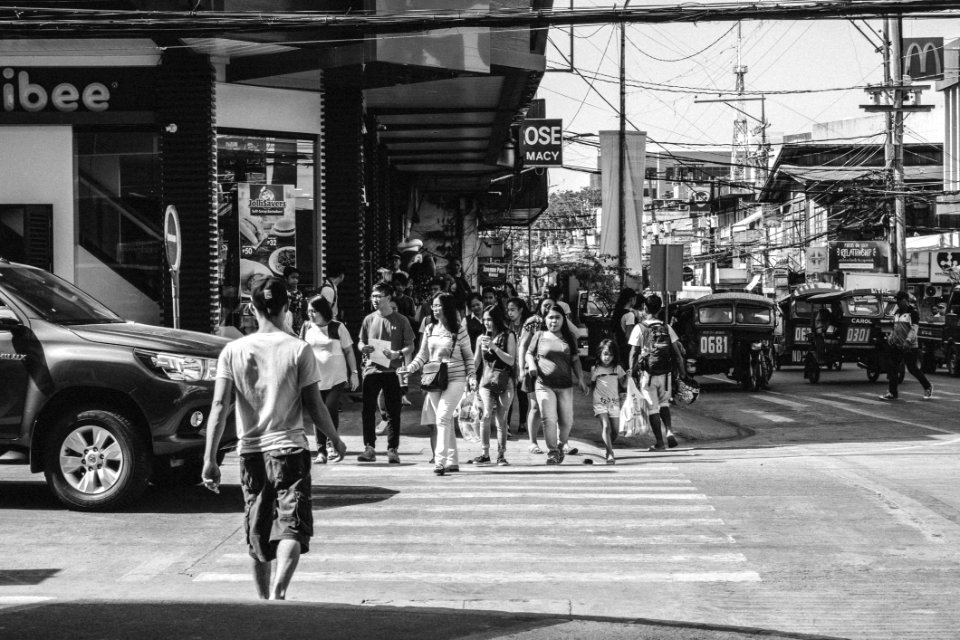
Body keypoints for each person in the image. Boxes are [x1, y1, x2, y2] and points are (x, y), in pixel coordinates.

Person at [201, 277, 347, 601]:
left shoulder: (233, 351)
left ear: (252, 308)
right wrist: (335, 438)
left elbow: (219, 406)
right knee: (292, 526)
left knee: (258, 531)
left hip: (250, 453)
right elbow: (315, 405)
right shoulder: (298, 349)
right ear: (286, 308)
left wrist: (209, 459)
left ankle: (264, 601)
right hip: (290, 451)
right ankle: (280, 589)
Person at [402, 292, 474, 476]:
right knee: (445, 420)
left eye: (438, 305)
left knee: (442, 417)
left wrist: (471, 376)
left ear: (447, 307)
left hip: (456, 379)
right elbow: (422, 355)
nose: (434, 309)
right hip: (433, 378)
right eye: (433, 305)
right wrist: (409, 368)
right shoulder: (429, 329)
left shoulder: (459, 330)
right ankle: (452, 460)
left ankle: (439, 461)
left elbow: (468, 356)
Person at [357, 282, 416, 463]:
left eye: (379, 296)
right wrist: (363, 348)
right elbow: (360, 342)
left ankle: (392, 449)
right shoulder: (368, 319)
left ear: (388, 299)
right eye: (373, 296)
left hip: (393, 371)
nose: (375, 300)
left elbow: (410, 345)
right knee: (368, 410)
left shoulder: (401, 320)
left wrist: (397, 354)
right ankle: (369, 448)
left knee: (393, 411)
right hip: (372, 370)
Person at [525, 305, 588, 465]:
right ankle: (552, 452)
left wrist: (581, 378)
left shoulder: (570, 337)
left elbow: (575, 360)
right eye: (551, 317)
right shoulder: (539, 335)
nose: (554, 321)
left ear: (563, 319)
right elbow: (528, 353)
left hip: (565, 386)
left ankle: (560, 445)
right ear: (545, 319)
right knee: (549, 418)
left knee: (567, 422)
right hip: (543, 384)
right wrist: (531, 365)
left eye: (558, 317)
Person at [300, 295, 359, 464]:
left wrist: (353, 372)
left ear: (323, 311)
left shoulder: (337, 327)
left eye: (314, 311)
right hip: (314, 378)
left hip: (336, 377)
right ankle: (321, 450)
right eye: (309, 311)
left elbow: (349, 351)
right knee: (316, 411)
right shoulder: (306, 328)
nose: (310, 314)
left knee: (330, 408)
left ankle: (332, 444)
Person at [628, 294, 687, 452]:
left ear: (645, 308)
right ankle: (669, 431)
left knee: (653, 408)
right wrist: (683, 374)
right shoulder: (667, 328)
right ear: (660, 309)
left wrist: (631, 373)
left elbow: (633, 353)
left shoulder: (639, 328)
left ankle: (660, 443)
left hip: (648, 375)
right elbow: (678, 354)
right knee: (664, 404)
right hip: (666, 374)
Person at [471, 304, 517, 466]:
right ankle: (484, 453)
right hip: (486, 381)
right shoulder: (480, 338)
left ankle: (501, 454)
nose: (486, 323)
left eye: (489, 320)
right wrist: (471, 377)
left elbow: (511, 360)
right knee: (485, 415)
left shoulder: (509, 335)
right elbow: (476, 361)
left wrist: (493, 347)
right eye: (484, 320)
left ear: (497, 319)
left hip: (505, 381)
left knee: (501, 419)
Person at [880, 290, 933, 401]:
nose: (898, 304)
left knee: (912, 368)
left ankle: (927, 387)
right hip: (897, 345)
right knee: (893, 368)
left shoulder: (913, 313)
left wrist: (908, 341)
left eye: (899, 301)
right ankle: (892, 393)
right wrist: (890, 338)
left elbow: (914, 329)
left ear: (904, 300)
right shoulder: (897, 313)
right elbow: (895, 328)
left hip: (909, 346)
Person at [589, 339, 627, 464]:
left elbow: (624, 384)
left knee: (615, 431)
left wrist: (629, 377)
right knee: (606, 427)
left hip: (614, 403)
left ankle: (607, 446)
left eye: (610, 355)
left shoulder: (618, 369)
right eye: (605, 354)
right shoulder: (595, 369)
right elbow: (593, 384)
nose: (607, 357)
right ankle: (610, 453)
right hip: (599, 402)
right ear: (600, 353)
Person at [505, 296, 532, 434]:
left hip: (524, 364)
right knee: (508, 396)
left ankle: (522, 423)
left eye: (513, 310)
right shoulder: (506, 325)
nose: (510, 313)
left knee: (522, 395)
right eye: (508, 310)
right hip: (509, 364)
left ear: (521, 310)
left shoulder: (528, 325)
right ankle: (507, 425)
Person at [610, 288, 641, 369]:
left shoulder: (618, 312)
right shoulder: (630, 315)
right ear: (631, 299)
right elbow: (629, 336)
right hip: (627, 350)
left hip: (619, 347)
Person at [282, 266, 305, 336]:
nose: (296, 280)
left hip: (298, 324)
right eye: (293, 277)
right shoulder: (282, 293)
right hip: (286, 323)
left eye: (297, 278)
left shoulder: (299, 293)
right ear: (286, 278)